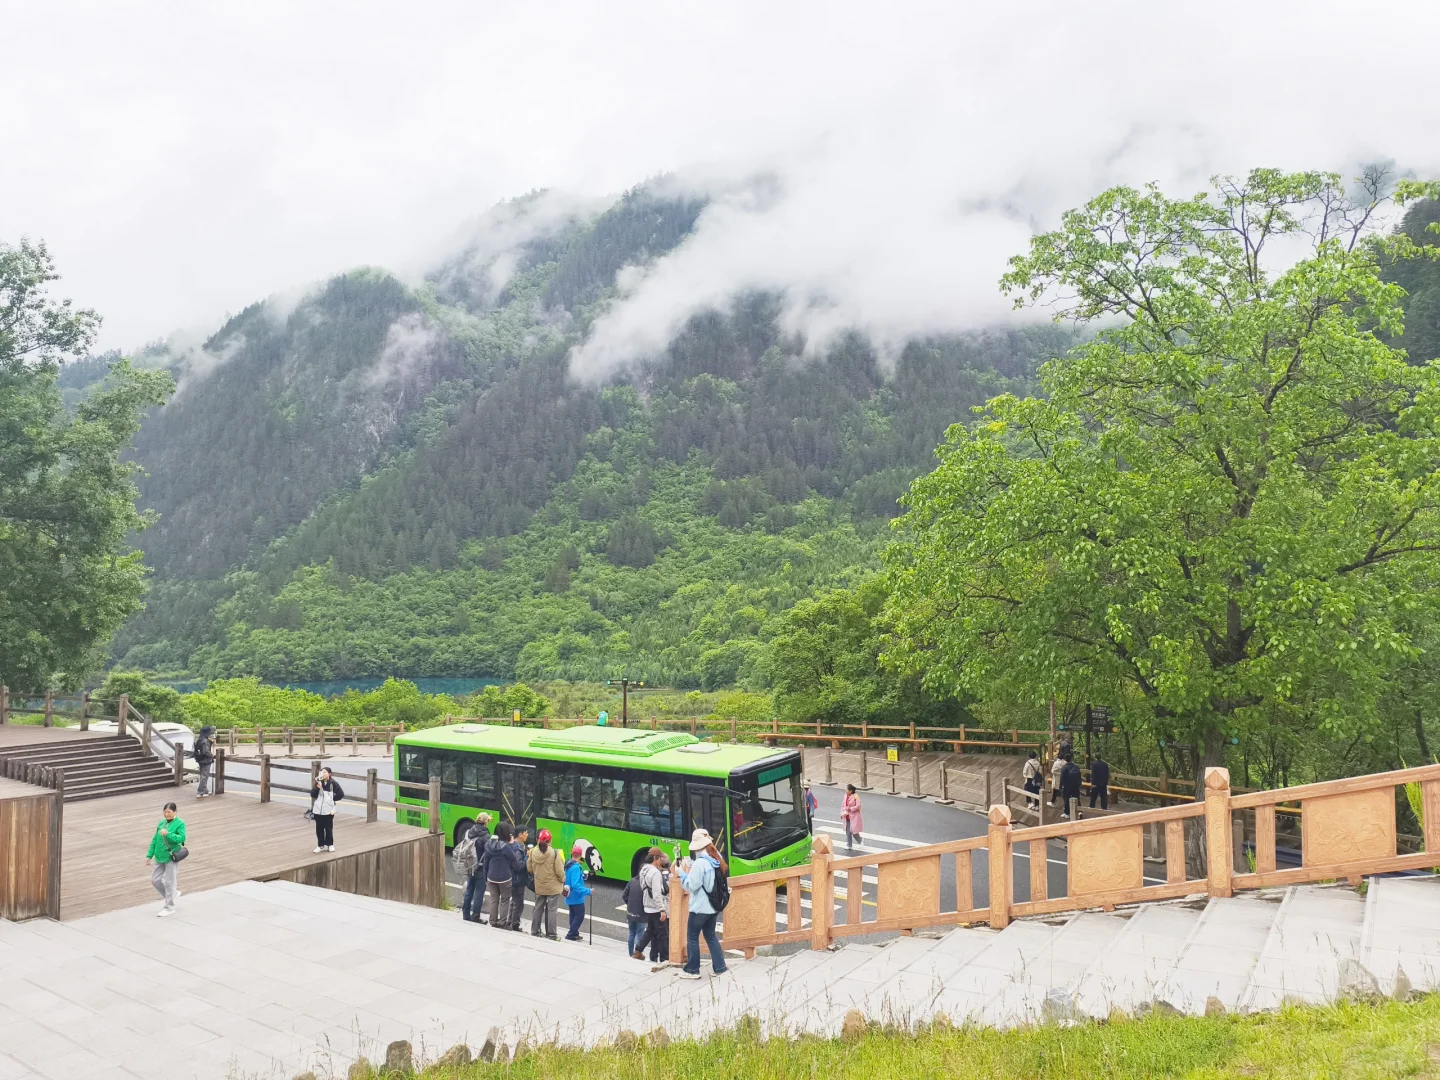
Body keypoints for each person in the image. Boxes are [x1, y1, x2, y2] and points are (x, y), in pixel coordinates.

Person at [677, 828, 728, 980]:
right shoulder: (717, 856)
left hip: (700, 907)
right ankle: (720, 967)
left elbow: (691, 886)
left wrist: (681, 873)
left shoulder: (700, 863)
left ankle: (692, 970)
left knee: (692, 937)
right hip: (714, 905)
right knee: (710, 935)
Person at [145, 802, 186, 917]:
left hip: (170, 857)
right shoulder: (161, 823)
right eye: (165, 812)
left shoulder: (180, 823)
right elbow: (155, 839)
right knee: (155, 880)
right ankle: (173, 894)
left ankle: (169, 907)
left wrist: (168, 834)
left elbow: (182, 838)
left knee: (169, 882)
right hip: (159, 856)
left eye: (169, 812)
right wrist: (149, 855)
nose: (166, 814)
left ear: (175, 812)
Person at [480, 822, 522, 929]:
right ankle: (502, 922)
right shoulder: (506, 847)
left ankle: (493, 920)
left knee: (494, 899)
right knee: (505, 899)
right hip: (504, 878)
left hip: (491, 877)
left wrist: (485, 877)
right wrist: (512, 845)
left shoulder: (488, 844)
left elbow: (486, 862)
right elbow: (514, 862)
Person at [528, 828, 566, 939]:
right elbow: (559, 872)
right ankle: (552, 934)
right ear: (550, 840)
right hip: (553, 887)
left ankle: (535, 931)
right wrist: (563, 879)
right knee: (552, 909)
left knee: (538, 908)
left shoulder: (533, 852)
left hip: (539, 885)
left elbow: (529, 868)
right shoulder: (554, 853)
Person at [634, 847, 669, 963]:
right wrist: (662, 910)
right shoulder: (655, 872)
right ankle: (665, 959)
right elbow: (657, 893)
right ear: (655, 858)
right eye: (659, 858)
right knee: (663, 934)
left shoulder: (643, 869)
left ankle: (638, 951)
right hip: (655, 907)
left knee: (650, 930)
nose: (660, 861)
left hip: (647, 905)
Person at [457, 813, 491, 923]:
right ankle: (475, 916)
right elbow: (488, 853)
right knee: (479, 893)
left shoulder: (469, 832)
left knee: (469, 890)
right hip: (480, 867)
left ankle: (465, 914)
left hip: (470, 865)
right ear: (486, 822)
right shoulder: (486, 836)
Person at [563, 840, 593, 941]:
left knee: (573, 915)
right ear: (580, 855)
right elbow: (575, 884)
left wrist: (582, 877)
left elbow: (571, 879)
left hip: (569, 895)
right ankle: (571, 934)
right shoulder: (576, 867)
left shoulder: (568, 865)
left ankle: (575, 933)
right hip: (576, 897)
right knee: (580, 915)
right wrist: (588, 891)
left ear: (572, 854)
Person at [310, 767, 344, 853]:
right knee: (319, 828)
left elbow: (341, 794)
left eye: (324, 772)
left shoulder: (333, 783)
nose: (322, 774)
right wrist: (317, 788)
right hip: (318, 810)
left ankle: (330, 844)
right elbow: (313, 794)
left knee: (328, 828)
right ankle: (320, 845)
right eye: (321, 772)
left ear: (329, 774)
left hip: (328, 810)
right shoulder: (319, 782)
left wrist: (331, 800)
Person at [507, 828, 531, 931]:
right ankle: (514, 924)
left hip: (514, 878)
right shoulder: (517, 848)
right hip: (517, 879)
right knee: (518, 903)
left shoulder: (517, 846)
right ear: (520, 834)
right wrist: (527, 857)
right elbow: (519, 866)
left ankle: (510, 921)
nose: (527, 835)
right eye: (526, 833)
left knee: (514, 901)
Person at [622, 863, 647, 956]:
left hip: (630, 912)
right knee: (640, 933)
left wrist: (629, 904)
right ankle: (638, 954)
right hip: (642, 913)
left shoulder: (632, 881)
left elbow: (624, 895)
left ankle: (630, 953)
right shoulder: (645, 885)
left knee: (631, 933)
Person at [193, 725, 216, 799]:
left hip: (200, 760)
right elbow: (206, 751)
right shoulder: (205, 741)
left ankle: (205, 790)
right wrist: (212, 755)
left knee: (203, 775)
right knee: (204, 776)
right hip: (205, 760)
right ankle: (200, 792)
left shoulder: (200, 739)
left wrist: (211, 742)